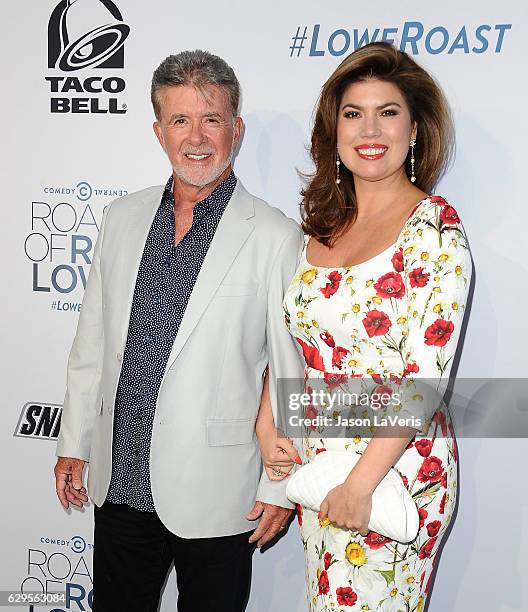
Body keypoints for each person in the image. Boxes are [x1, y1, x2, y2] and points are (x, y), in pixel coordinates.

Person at [53, 49, 304, 612]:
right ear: (158, 130)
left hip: (220, 491)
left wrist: (280, 482)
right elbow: (90, 343)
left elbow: (291, 371)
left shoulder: (274, 236)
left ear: (235, 129)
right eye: (180, 120)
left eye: (211, 119)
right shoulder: (121, 218)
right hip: (119, 483)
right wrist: (74, 442)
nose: (197, 137)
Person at [256, 41, 472, 611]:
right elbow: (291, 346)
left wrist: (360, 485)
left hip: (393, 476)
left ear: (416, 128)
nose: (369, 129)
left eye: (388, 112)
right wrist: (268, 422)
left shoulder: (435, 230)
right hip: (318, 470)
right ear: (335, 133)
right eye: (353, 114)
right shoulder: (321, 229)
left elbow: (424, 380)